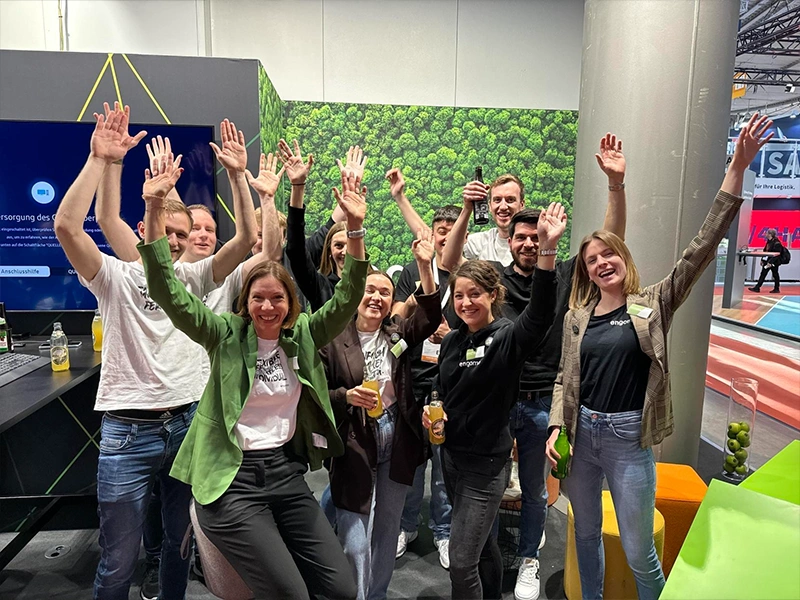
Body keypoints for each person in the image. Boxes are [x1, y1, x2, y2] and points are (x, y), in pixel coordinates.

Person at [546, 113, 773, 600]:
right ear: (585, 272)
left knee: (637, 549)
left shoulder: (653, 303)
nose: (601, 262)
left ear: (623, 260)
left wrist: (735, 170)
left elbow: (700, 249)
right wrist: (554, 427)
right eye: (591, 260)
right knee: (583, 535)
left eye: (608, 255)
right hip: (581, 438)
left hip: (630, 440)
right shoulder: (576, 318)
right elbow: (566, 378)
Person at [139, 151, 369, 599]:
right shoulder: (224, 333)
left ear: (290, 304)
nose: (268, 307)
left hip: (285, 473)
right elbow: (168, 293)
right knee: (291, 595)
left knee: (342, 588)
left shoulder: (302, 332)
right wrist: (153, 207)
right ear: (246, 301)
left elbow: (346, 298)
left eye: (277, 299)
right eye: (259, 298)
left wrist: (355, 229)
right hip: (232, 480)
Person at [54, 105, 255, 600]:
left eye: (184, 236)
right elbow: (68, 226)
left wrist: (238, 176)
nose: (178, 243)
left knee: (178, 551)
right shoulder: (115, 277)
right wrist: (102, 160)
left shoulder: (194, 278)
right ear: (144, 232)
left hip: (186, 425)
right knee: (118, 563)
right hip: (127, 430)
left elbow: (248, 239)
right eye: (167, 233)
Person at [422, 202, 565, 600]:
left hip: (486, 468)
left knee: (461, 559)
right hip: (451, 459)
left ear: (493, 295)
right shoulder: (451, 340)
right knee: (483, 549)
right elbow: (439, 387)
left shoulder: (505, 338)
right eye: (460, 296)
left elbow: (538, 317)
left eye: (475, 295)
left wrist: (548, 253)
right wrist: (430, 409)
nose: (465, 303)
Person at [321, 229, 441, 600]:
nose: (376, 297)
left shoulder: (397, 333)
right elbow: (314, 394)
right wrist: (345, 396)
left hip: (397, 436)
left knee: (387, 531)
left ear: (392, 302)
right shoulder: (331, 338)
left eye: (384, 292)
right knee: (355, 538)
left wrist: (424, 266)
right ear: (355, 295)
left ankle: (375, 595)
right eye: (369, 290)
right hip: (356, 439)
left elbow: (432, 313)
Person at [391, 203, 464, 568]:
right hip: (415, 377)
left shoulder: (468, 275)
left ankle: (444, 531)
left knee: (443, 462)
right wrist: (423, 305)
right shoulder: (411, 272)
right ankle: (406, 525)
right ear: (432, 236)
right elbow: (398, 315)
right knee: (413, 460)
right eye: (440, 230)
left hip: (451, 381)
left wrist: (450, 334)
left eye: (454, 230)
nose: (446, 236)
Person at [287, 144, 368, 311]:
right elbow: (296, 252)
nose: (344, 251)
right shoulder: (320, 287)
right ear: (329, 251)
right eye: (338, 245)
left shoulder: (372, 287)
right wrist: (297, 187)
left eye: (349, 244)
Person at [441, 173, 527, 269]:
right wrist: (467, 208)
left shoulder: (532, 242)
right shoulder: (480, 242)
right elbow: (448, 261)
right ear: (489, 206)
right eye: (497, 200)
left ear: (522, 204)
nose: (503, 207)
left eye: (510, 200)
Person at [749, 227, 786, 293]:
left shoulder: (777, 243)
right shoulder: (769, 242)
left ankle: (776, 288)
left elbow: (777, 255)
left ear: (770, 234)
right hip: (767, 261)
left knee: (774, 274)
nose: (765, 234)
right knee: (764, 273)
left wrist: (770, 263)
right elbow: (765, 251)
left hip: (773, 262)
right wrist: (762, 260)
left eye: (767, 233)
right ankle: (758, 287)